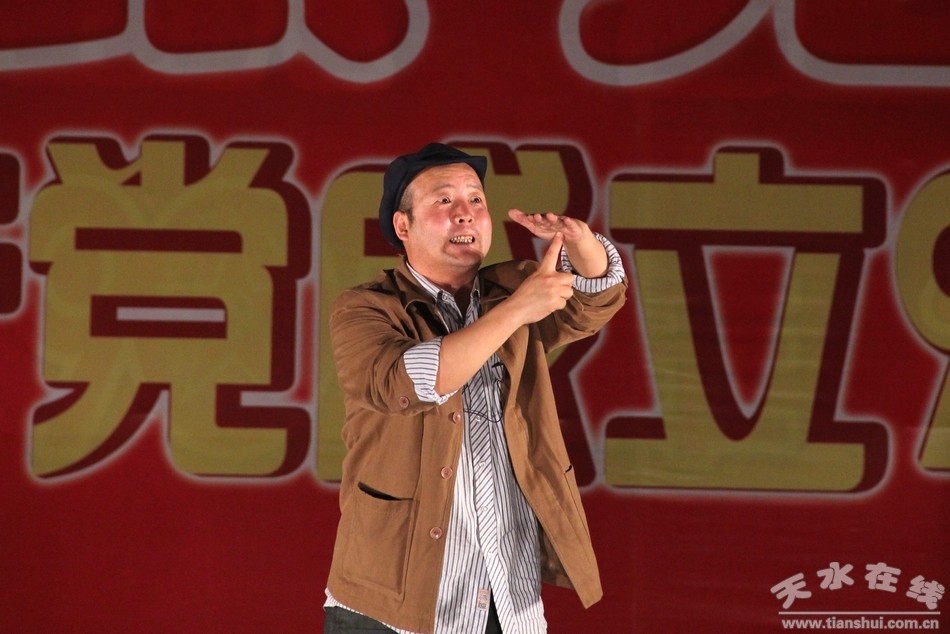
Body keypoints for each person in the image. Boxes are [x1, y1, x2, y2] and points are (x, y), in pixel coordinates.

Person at [323, 143, 627, 633]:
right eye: (444, 200)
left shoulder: (512, 287)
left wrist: (580, 240)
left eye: (476, 199)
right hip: (395, 603)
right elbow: (404, 382)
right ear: (403, 225)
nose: (465, 212)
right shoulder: (366, 307)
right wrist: (517, 310)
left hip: (507, 597)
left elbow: (595, 299)